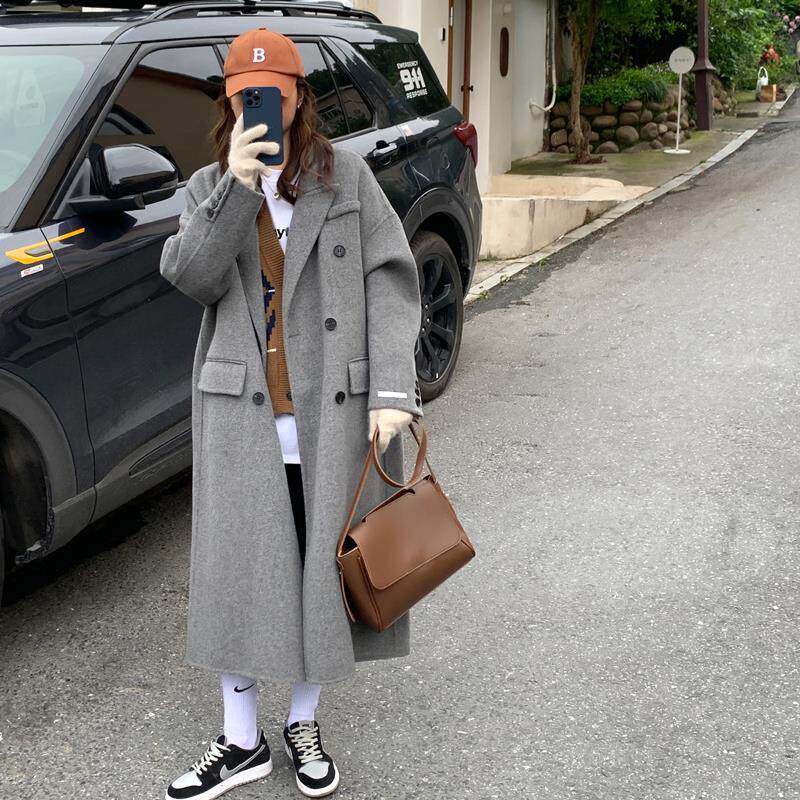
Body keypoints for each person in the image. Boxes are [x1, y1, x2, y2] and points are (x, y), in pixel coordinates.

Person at [159, 26, 423, 800]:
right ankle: (241, 741)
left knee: (321, 576)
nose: (262, 110)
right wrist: (239, 189)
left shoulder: (346, 178)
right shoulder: (209, 189)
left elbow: (390, 279)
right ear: (229, 105)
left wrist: (393, 389)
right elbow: (192, 277)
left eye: (273, 97)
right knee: (239, 582)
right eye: (247, 98)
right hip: (242, 416)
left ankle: (303, 722)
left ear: (300, 98)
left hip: (334, 415)